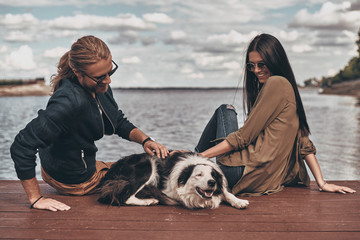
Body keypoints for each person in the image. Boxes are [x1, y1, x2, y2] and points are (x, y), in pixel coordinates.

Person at [10, 35, 169, 211]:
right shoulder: (68, 102)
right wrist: (36, 198)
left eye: (110, 72)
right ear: (78, 72)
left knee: (148, 164)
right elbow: (22, 145)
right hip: (75, 180)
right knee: (151, 171)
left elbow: (117, 120)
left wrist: (146, 141)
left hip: (70, 164)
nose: (108, 80)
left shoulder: (97, 85)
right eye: (101, 77)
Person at [195, 33, 356, 196]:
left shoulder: (276, 83)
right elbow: (303, 142)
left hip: (238, 173)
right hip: (262, 180)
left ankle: (192, 161)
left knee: (226, 110)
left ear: (274, 61)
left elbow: (243, 137)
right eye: (251, 66)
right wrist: (322, 182)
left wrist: (200, 156)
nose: (256, 71)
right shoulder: (288, 89)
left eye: (261, 64)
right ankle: (193, 161)